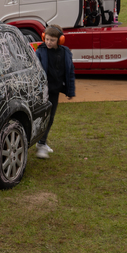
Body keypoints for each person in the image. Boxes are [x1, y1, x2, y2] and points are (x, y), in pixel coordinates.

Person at [35, 24, 76, 159]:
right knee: (43, 117)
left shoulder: (65, 52)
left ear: (60, 40)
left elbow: (70, 72)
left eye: (52, 40)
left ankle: (43, 142)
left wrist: (70, 91)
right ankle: (40, 144)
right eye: (46, 39)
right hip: (42, 91)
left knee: (50, 118)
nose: (48, 42)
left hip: (55, 91)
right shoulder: (40, 51)